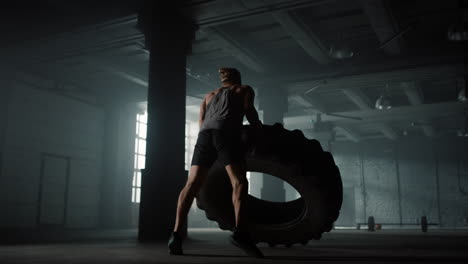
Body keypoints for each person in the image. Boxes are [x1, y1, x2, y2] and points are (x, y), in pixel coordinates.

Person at [168, 67, 264, 258]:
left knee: (192, 184)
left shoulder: (208, 96)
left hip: (204, 137)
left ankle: (176, 235)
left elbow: (201, 123)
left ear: (222, 81)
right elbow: (250, 113)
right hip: (225, 134)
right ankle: (241, 234)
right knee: (239, 182)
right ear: (238, 78)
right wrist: (259, 132)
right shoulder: (243, 89)